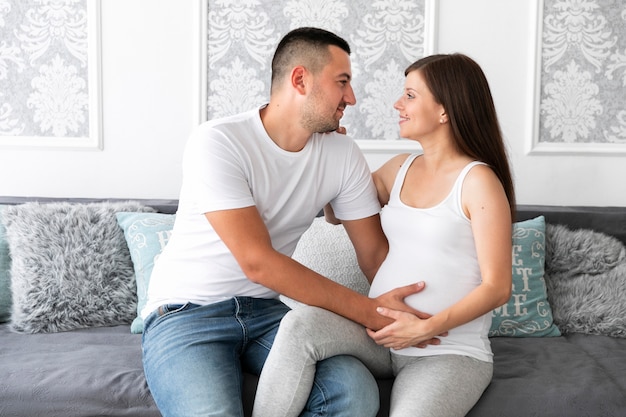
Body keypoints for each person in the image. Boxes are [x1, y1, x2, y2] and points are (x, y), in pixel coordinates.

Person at [140, 26, 432, 417]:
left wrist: (421, 318)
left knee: (354, 392)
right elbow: (257, 261)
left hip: (266, 316)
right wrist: (370, 312)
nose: (352, 98)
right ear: (300, 80)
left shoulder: (341, 154)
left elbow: (375, 256)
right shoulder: (218, 142)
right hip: (187, 314)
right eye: (342, 82)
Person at [252, 53, 516, 417]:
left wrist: (424, 329)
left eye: (410, 95)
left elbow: (498, 287)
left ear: (445, 111)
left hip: (447, 350)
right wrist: (329, 156)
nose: (397, 104)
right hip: (378, 334)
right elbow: (337, 211)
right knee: (299, 324)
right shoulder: (399, 169)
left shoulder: (479, 183)